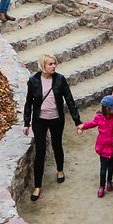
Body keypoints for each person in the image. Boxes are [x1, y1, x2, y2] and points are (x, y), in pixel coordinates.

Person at [23, 54, 82, 201]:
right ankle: (37, 186)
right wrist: (26, 123)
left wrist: (77, 121)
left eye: (54, 63)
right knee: (40, 152)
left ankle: (60, 170)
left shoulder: (60, 79)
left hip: (56, 119)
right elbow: (29, 102)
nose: (53, 66)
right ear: (43, 65)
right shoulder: (33, 81)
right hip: (39, 120)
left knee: (57, 145)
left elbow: (69, 100)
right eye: (50, 64)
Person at [79, 95, 113, 197]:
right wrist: (83, 126)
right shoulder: (99, 117)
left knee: (111, 166)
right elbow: (92, 123)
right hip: (103, 147)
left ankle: (109, 181)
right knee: (103, 168)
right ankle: (101, 186)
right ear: (107, 109)